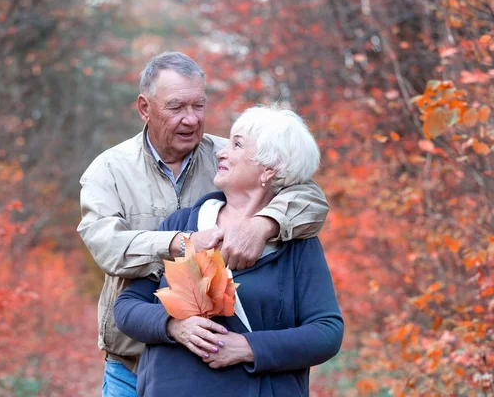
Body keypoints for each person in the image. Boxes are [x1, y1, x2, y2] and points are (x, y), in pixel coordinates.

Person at [77, 52, 330, 397]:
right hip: (131, 359)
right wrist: (180, 244)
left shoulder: (228, 156)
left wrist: (264, 224)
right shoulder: (109, 171)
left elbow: (309, 194)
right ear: (144, 108)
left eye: (199, 105)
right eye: (176, 107)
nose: (191, 119)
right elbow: (107, 248)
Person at [113, 105, 344, 397]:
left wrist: (248, 348)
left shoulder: (297, 243)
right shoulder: (182, 224)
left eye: (237, 144)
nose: (221, 152)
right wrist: (173, 326)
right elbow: (126, 307)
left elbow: (327, 332)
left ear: (269, 168)